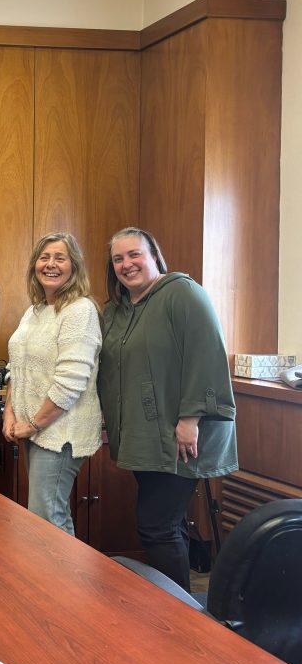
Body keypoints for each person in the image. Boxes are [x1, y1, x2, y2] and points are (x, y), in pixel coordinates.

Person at [97, 226, 237, 590]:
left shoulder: (182, 293)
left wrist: (190, 420)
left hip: (181, 435)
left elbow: (206, 356)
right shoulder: (119, 310)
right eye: (118, 259)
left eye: (134, 255)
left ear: (154, 256)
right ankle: (178, 605)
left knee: (155, 525)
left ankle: (179, 614)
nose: (127, 264)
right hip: (145, 435)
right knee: (169, 525)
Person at [4, 232, 102, 534]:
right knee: (45, 517)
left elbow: (70, 382)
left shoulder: (80, 310)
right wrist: (9, 412)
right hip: (35, 430)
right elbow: (15, 368)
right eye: (44, 258)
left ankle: (65, 583)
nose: (50, 264)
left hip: (60, 432)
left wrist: (32, 424)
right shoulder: (34, 312)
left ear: (74, 266)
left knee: (47, 520)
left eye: (60, 258)